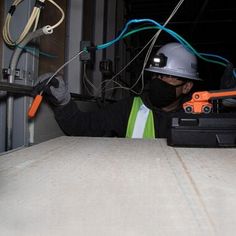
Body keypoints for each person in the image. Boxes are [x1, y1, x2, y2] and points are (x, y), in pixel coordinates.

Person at [36, 42, 202, 138]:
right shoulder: (129, 109)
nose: (160, 81)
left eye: (168, 77)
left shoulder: (201, 114)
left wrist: (229, 104)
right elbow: (82, 126)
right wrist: (63, 102)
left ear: (187, 86)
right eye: (157, 75)